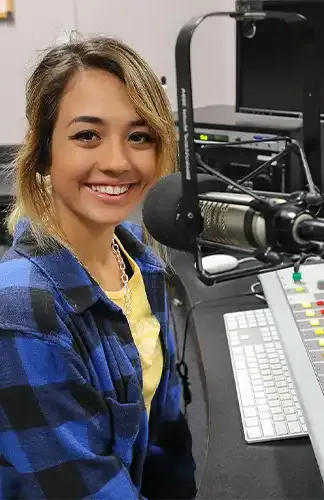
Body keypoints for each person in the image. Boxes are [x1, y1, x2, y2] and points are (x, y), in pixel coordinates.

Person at [0, 34, 196, 499]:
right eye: (87, 135)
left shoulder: (136, 262)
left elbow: (165, 439)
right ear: (45, 151)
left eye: (139, 136)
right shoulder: (22, 313)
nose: (116, 162)